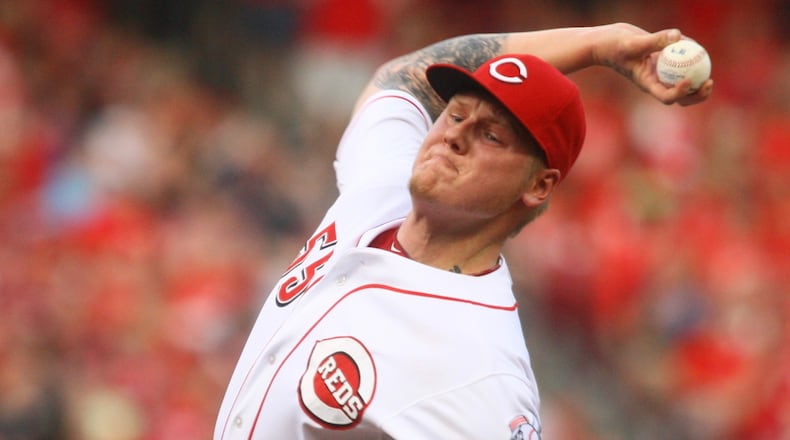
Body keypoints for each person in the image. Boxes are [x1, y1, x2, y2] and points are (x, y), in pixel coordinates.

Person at [214, 23, 713, 440]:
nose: (454, 135)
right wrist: (596, 46)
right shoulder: (382, 185)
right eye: (455, 114)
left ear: (538, 186)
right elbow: (401, 79)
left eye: (490, 135)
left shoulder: (484, 375)